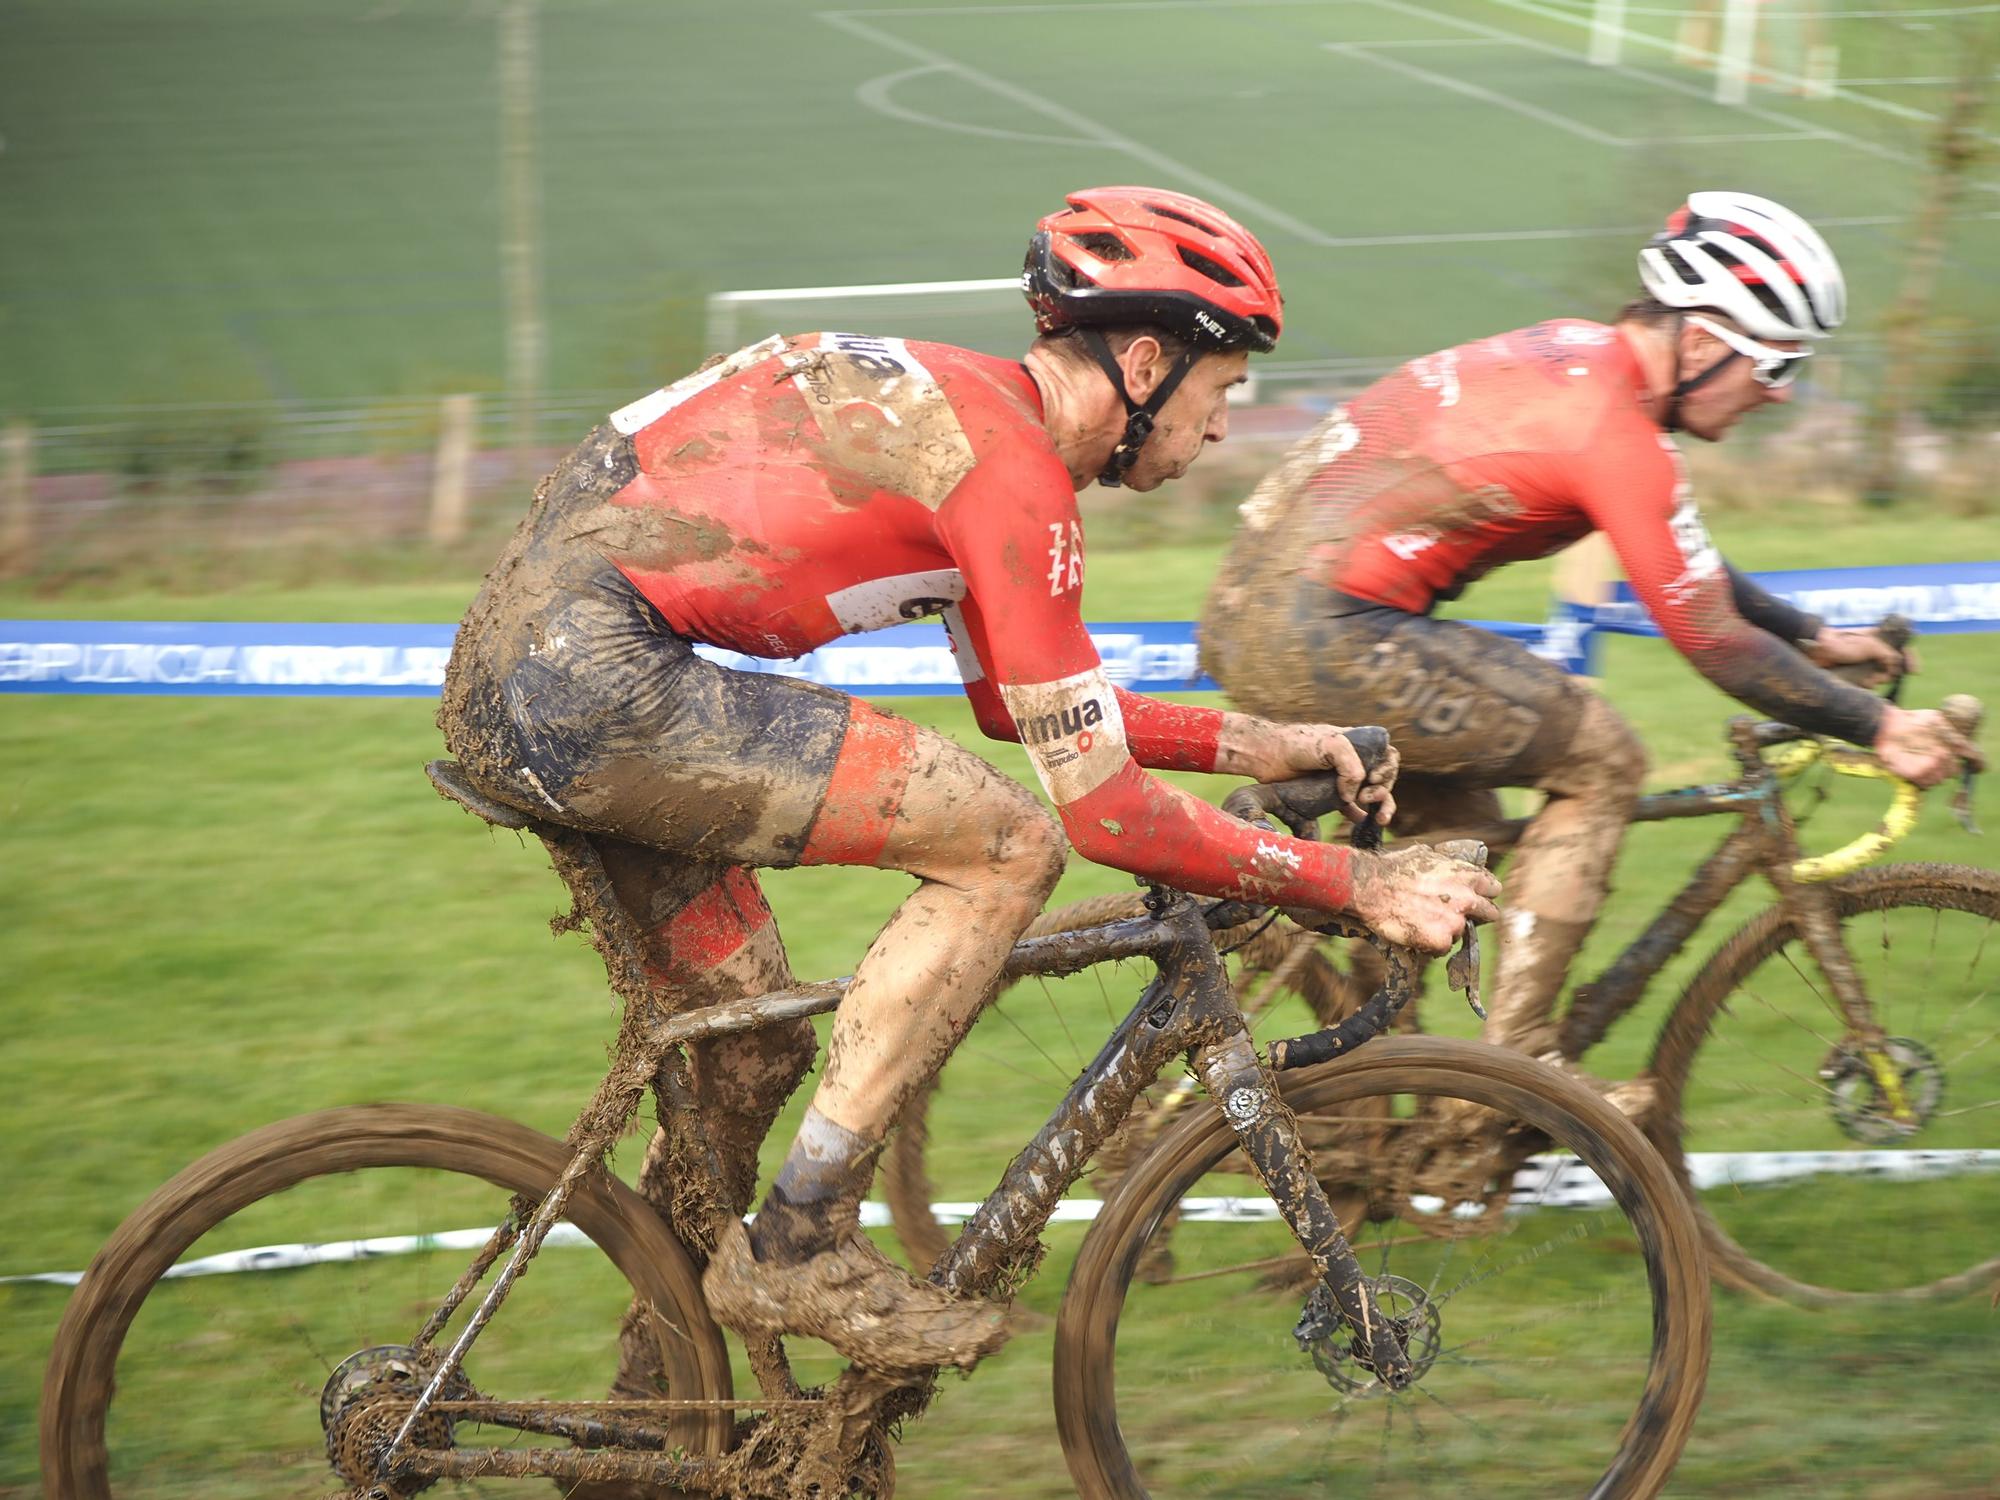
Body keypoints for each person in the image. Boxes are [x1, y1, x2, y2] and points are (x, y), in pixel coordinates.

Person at [437, 185, 1501, 1378]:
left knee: (745, 1053)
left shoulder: (969, 419)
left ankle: (656, 1407)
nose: (1216, 430)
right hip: (594, 676)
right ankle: (797, 1241)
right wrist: (1351, 881)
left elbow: (1017, 700)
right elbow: (1098, 813)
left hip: (533, 664)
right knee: (1004, 847)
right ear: (1146, 361)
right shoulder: (1006, 468)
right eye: (1221, 389)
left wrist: (1254, 742)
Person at [1201, 190, 1973, 1096]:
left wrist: (1817, 637)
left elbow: (1684, 563)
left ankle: (1373, 1078)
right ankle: (1523, 1064)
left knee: (1470, 841)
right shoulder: (1617, 433)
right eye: (1773, 364)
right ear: (1698, 340)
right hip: (1327, 628)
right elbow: (1712, 640)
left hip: (1256, 608)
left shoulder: (1575, 355)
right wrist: (1879, 728)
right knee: (1603, 758)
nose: (1781, 391)